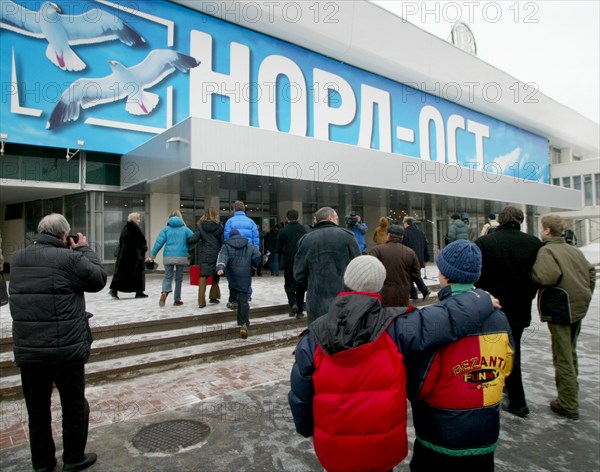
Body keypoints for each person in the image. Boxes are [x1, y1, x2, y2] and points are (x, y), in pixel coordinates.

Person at [288, 254, 505, 472]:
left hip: (333, 450)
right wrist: (480, 299)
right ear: (380, 286)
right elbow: (447, 319)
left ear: (346, 281)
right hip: (382, 450)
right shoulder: (397, 327)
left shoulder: (313, 337)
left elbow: (300, 396)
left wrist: (309, 431)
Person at [9, 213, 107, 472]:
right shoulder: (70, 258)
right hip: (66, 350)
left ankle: (42, 464)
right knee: (74, 405)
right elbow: (97, 279)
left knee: (37, 412)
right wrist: (84, 249)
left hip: (30, 349)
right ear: (64, 235)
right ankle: (73, 458)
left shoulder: (18, 258)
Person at [408, 239, 513, 471]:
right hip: (485, 431)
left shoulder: (435, 319)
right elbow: (506, 366)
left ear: (444, 274)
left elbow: (421, 382)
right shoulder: (499, 317)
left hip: (439, 433)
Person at [475, 205, 542, 418]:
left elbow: (478, 276)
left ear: (500, 221)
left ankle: (513, 399)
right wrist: (528, 294)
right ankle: (512, 393)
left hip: (492, 306)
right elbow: (538, 276)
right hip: (520, 307)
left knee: (490, 351)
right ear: (520, 220)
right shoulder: (534, 243)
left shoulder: (484, 243)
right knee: (514, 349)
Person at [532, 215, 596, 421]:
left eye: (542, 228)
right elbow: (591, 272)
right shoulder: (573, 249)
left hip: (562, 309)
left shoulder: (547, 250)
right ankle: (571, 392)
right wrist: (586, 292)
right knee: (571, 351)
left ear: (547, 231)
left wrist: (533, 274)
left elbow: (546, 277)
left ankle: (568, 403)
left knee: (563, 356)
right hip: (578, 306)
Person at [294, 207, 361, 323]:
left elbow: (299, 274)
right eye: (337, 218)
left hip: (316, 301)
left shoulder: (306, 240)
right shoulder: (348, 237)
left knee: (318, 337)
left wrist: (311, 286)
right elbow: (358, 268)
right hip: (344, 299)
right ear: (330, 218)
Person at [216, 229, 262, 339]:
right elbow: (258, 255)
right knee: (244, 299)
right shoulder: (249, 245)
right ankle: (243, 324)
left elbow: (222, 257)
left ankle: (232, 301)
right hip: (245, 274)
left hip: (232, 273)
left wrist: (220, 267)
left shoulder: (226, 246)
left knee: (232, 286)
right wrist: (254, 266)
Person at [369, 224, 421, 307]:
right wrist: (405, 281)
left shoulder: (377, 250)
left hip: (383, 295)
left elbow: (370, 271)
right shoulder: (410, 252)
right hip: (402, 294)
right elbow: (416, 274)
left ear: (388, 235)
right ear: (402, 237)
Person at [149, 209, 194, 307]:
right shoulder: (185, 230)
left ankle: (164, 292)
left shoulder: (166, 229)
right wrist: (188, 248)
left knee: (168, 276)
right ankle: (177, 299)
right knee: (179, 278)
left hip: (168, 257)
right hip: (181, 257)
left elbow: (158, 243)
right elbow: (193, 240)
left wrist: (152, 256)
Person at [187, 208, 224, 308]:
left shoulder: (201, 226)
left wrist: (186, 240)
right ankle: (213, 297)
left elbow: (193, 239)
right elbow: (223, 241)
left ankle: (201, 302)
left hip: (205, 254)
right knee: (216, 275)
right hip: (216, 254)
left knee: (203, 276)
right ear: (216, 215)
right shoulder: (220, 227)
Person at [224, 200, 260, 299]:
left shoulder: (230, 221)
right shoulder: (251, 222)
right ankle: (247, 294)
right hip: (248, 252)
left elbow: (227, 238)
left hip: (233, 252)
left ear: (234, 209)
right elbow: (255, 239)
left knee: (233, 274)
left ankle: (234, 295)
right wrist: (255, 253)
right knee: (246, 274)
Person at [108, 212, 148, 299]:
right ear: (134, 219)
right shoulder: (134, 229)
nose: (139, 220)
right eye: (137, 219)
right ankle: (138, 291)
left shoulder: (126, 228)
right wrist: (143, 248)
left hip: (126, 256)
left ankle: (115, 290)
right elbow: (137, 242)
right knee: (135, 274)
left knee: (122, 274)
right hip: (133, 256)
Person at [276, 209, 307, 317]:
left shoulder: (284, 230)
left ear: (287, 218)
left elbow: (278, 248)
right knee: (300, 284)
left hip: (289, 260)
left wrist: (279, 260)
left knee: (289, 283)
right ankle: (300, 311)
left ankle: (293, 303)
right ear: (298, 217)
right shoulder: (303, 229)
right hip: (302, 260)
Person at [402, 217, 431, 301]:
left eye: (404, 223)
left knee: (413, 276)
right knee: (411, 276)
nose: (403, 225)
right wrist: (426, 257)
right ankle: (414, 294)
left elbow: (404, 247)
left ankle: (424, 291)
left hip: (410, 258)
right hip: (419, 258)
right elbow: (425, 246)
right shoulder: (420, 233)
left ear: (407, 223)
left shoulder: (405, 233)